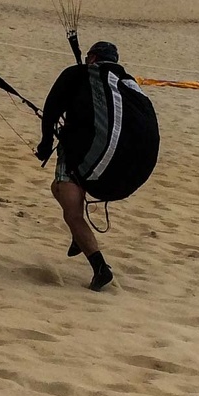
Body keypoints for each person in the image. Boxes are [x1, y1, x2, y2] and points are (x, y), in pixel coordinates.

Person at [35, 41, 124, 292]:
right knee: (57, 188)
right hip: (105, 160)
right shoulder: (119, 85)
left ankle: (99, 268)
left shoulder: (77, 75)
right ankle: (79, 237)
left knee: (72, 214)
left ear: (92, 58)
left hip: (76, 154)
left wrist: (45, 143)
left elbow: (51, 110)